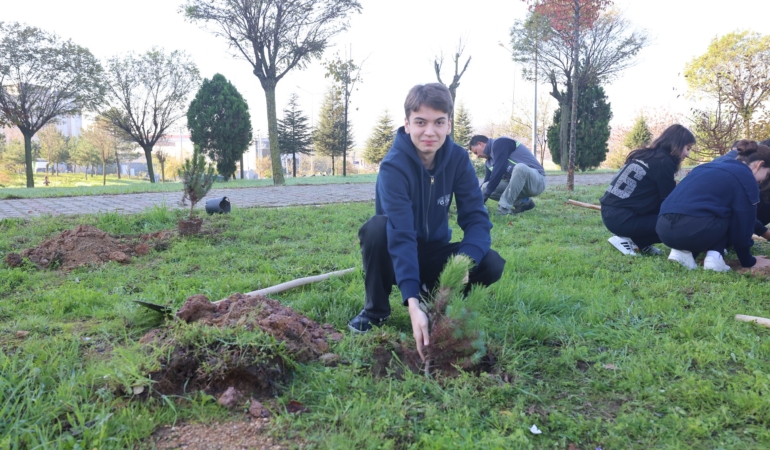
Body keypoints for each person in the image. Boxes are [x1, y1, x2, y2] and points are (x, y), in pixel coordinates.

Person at [347, 83, 506, 360]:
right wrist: (411, 303)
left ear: (449, 125)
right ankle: (376, 310)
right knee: (376, 229)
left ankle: (437, 301)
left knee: (490, 262)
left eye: (438, 122)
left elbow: (477, 219)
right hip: (394, 256)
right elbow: (401, 234)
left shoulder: (458, 159)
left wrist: (464, 260)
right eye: (421, 122)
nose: (430, 132)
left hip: (433, 253)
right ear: (407, 124)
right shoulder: (393, 166)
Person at [657, 141, 770, 271]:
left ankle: (682, 252)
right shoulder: (747, 177)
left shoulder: (707, 167)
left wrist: (763, 231)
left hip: (663, 229)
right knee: (730, 212)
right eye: (767, 174)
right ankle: (715, 257)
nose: (764, 179)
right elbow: (745, 223)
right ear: (759, 164)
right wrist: (748, 261)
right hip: (693, 230)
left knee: (714, 209)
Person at [599, 124, 696, 256]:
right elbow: (670, 200)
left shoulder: (644, 154)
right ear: (677, 144)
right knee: (676, 224)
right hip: (624, 219)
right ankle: (631, 241)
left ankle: (640, 243)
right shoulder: (664, 162)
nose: (687, 154)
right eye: (687, 148)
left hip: (611, 213)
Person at [469, 135, 546, 215]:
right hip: (519, 187)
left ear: (480, 144)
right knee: (485, 187)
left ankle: (503, 209)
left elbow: (499, 168)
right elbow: (487, 182)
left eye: (476, 152)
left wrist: (486, 195)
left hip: (536, 182)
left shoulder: (501, 143)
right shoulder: (489, 162)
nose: (477, 156)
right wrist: (475, 201)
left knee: (520, 167)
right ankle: (524, 202)